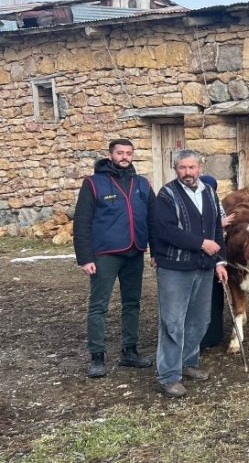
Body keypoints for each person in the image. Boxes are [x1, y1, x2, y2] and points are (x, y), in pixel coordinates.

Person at [72, 138, 154, 378]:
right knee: (99, 305)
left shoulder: (142, 184)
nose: (124, 157)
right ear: (110, 155)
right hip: (105, 255)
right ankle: (97, 356)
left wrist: (156, 252)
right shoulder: (93, 183)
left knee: (132, 303)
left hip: (134, 252)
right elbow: (82, 223)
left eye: (128, 153)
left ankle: (130, 350)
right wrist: (85, 257)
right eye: (120, 153)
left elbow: (153, 220)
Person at [150, 150, 228, 398]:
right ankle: (169, 376)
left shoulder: (209, 192)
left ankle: (188, 362)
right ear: (176, 169)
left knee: (199, 320)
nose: (187, 173)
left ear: (200, 168)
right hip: (175, 267)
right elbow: (166, 230)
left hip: (204, 266)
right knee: (173, 321)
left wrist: (220, 261)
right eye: (182, 168)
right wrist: (201, 243)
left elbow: (217, 228)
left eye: (192, 167)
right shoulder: (167, 195)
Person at [199, 175, 234, 350]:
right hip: (198, 253)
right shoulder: (195, 200)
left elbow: (219, 231)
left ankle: (214, 334)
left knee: (215, 296)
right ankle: (200, 337)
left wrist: (221, 261)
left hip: (215, 254)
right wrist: (222, 222)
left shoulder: (215, 202)